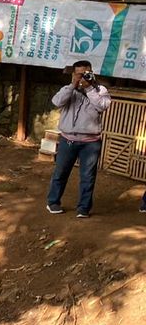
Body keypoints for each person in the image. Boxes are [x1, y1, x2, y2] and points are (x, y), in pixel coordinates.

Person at [46, 60, 111, 218]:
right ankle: (53, 202)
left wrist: (88, 87)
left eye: (86, 73)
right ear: (74, 74)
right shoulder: (68, 89)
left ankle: (83, 208)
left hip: (90, 143)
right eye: (79, 74)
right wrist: (73, 85)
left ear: (92, 72)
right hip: (68, 140)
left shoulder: (100, 90)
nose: (83, 77)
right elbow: (56, 102)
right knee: (60, 172)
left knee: (88, 177)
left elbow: (102, 106)